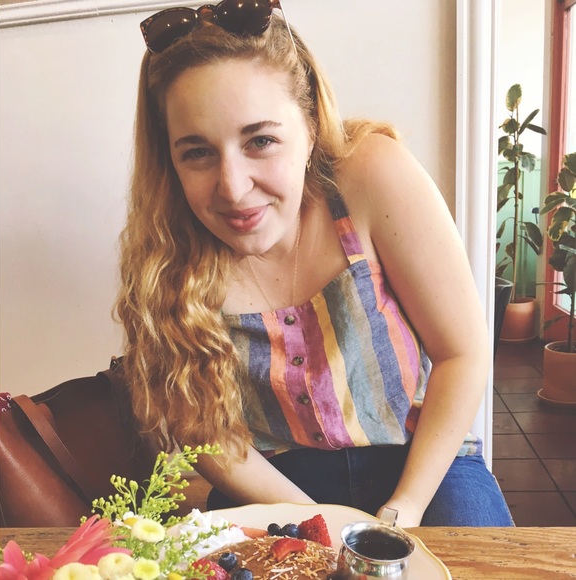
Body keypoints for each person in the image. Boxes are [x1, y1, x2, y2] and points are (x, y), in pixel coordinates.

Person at [115, 0, 514, 527]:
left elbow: (462, 353)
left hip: (423, 461)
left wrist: (405, 509)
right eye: (198, 152)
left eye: (261, 140)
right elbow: (204, 430)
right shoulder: (162, 253)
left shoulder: (372, 175)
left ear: (309, 127)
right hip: (275, 483)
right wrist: (321, 523)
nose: (233, 188)